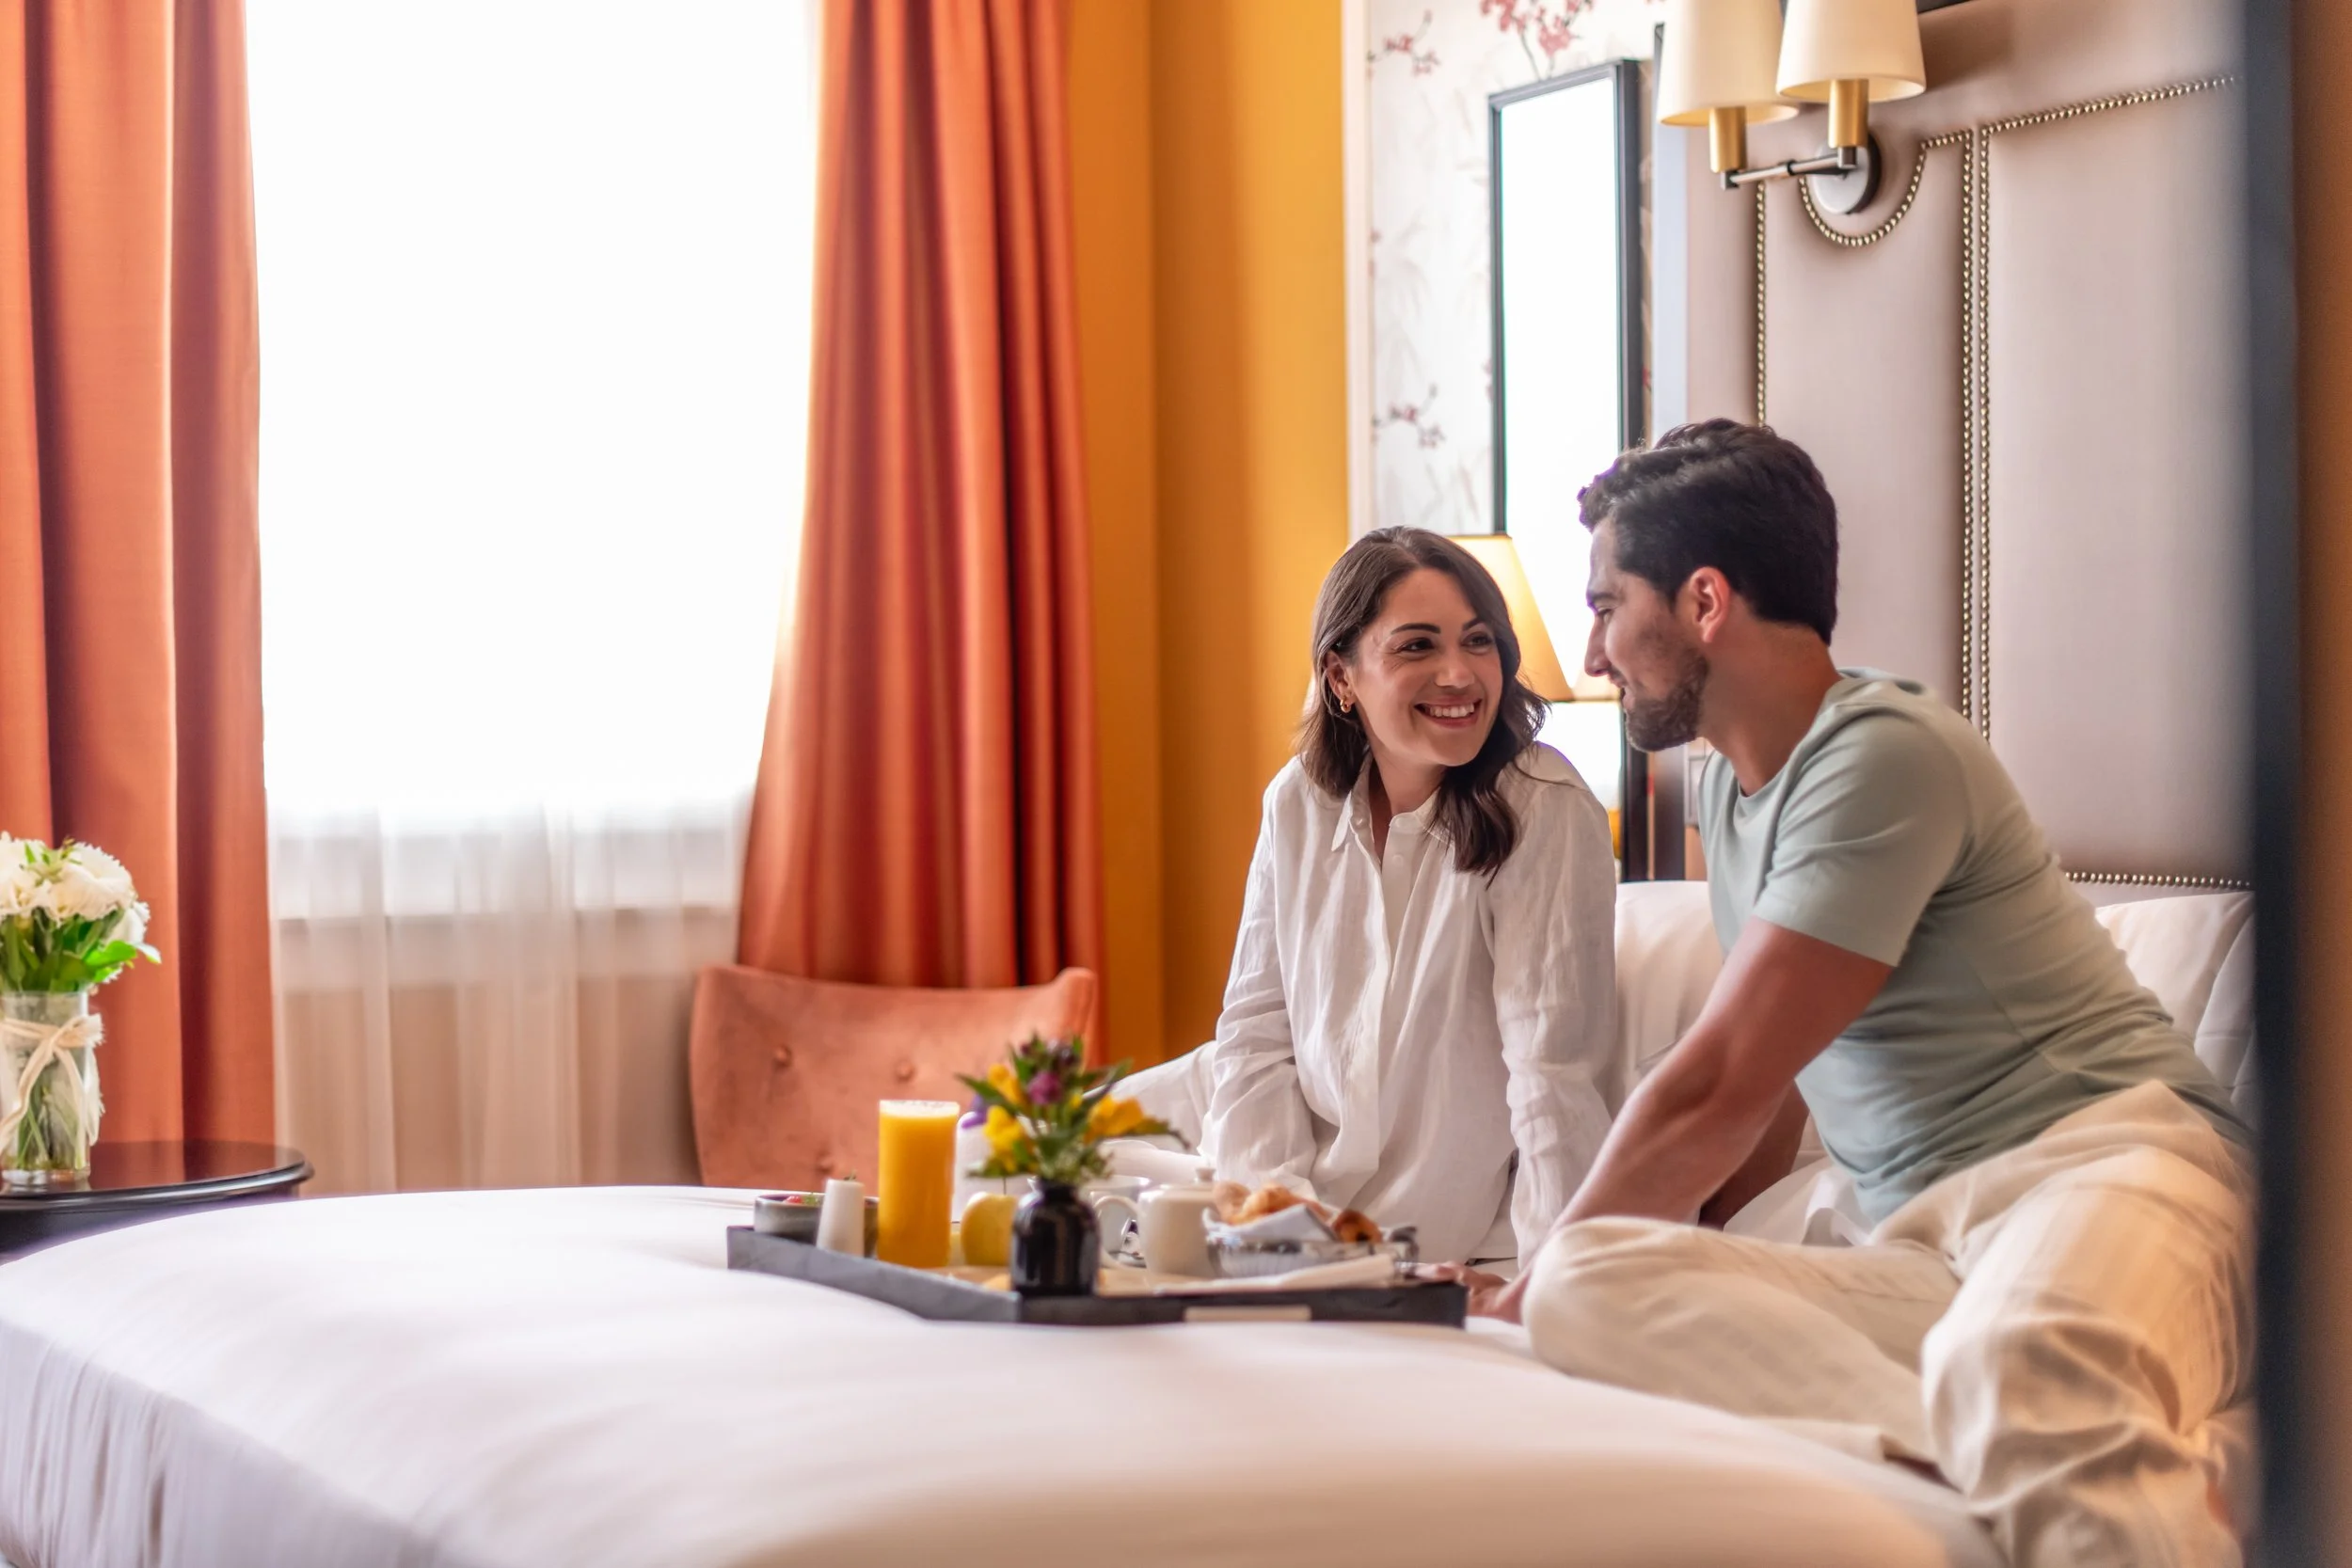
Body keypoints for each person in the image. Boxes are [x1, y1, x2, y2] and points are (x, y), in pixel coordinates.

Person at [1464, 420, 2253, 1566]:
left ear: (1702, 601)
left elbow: (1719, 1081)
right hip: (1928, 1244)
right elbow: (1781, 1069)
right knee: (1590, 1280)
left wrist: (1514, 1292)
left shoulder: (1884, 753)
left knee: (2023, 1360)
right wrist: (1614, 1271)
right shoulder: (1731, 793)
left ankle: (2044, 1419)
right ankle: (2057, 1449)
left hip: (2108, 1168)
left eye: (1605, 605)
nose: (1591, 653)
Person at [1196, 527, 1620, 1267]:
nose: (1459, 673)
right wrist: (1282, 1224)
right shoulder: (1297, 802)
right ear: (1341, 676)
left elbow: (1552, 1074)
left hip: (1457, 1245)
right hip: (1294, 1213)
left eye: (1479, 641)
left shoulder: (1543, 808)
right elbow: (1257, 1035)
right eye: (1417, 646)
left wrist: (1553, 1280)